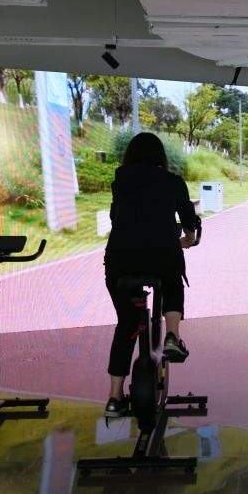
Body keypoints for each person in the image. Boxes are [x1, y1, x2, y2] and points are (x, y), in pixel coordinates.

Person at [103, 132, 200, 417]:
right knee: (172, 279)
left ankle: (114, 398)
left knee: (126, 324)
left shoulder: (120, 181)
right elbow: (188, 219)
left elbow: (115, 217)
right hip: (161, 254)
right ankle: (172, 336)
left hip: (120, 258)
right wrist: (188, 238)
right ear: (160, 156)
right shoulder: (172, 181)